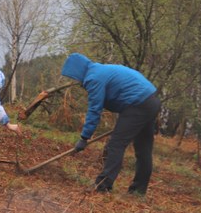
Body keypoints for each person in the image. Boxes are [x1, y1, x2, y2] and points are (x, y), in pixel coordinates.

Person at [61, 53, 161, 194]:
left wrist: (84, 138)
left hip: (138, 104)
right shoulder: (99, 69)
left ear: (78, 70)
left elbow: (95, 110)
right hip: (151, 100)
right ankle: (138, 191)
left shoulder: (93, 78)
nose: (76, 81)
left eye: (74, 76)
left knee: (116, 145)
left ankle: (103, 186)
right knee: (143, 149)